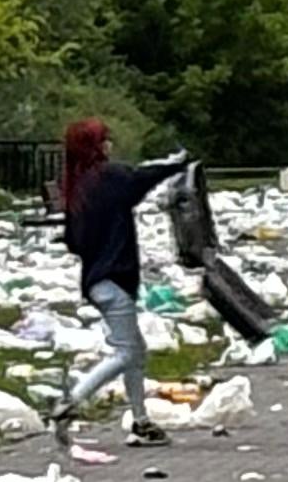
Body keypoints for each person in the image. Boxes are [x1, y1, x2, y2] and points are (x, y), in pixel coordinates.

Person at [51, 117, 193, 442]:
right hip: (115, 279)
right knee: (127, 353)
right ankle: (70, 401)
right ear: (96, 146)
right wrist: (176, 164)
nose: (110, 144)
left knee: (135, 350)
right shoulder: (109, 178)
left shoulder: (79, 187)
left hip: (96, 280)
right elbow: (141, 178)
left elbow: (74, 241)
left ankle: (141, 421)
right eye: (105, 139)